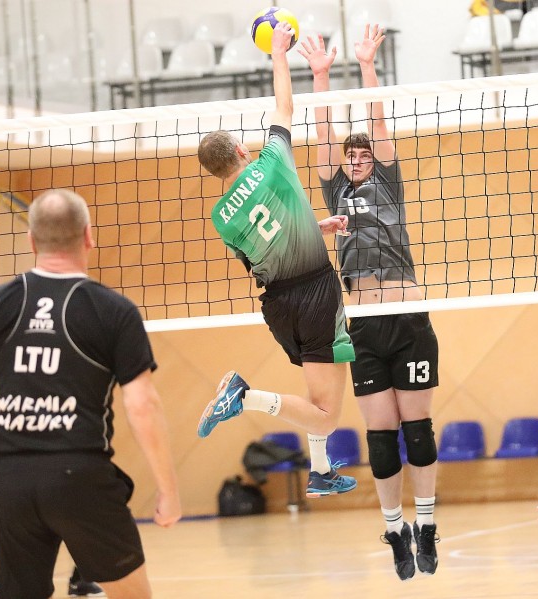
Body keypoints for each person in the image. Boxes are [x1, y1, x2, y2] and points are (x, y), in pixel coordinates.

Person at [0, 189, 181, 599]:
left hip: (7, 479)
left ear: (31, 240)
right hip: (78, 476)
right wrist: (168, 491)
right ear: (88, 236)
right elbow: (142, 405)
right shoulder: (113, 310)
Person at [298, 25, 441, 580]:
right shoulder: (335, 190)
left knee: (417, 429)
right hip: (363, 321)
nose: (356, 159)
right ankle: (395, 530)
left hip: (406, 315)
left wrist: (365, 66)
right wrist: (319, 76)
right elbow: (322, 134)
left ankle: (426, 524)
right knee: (380, 435)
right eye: (350, 155)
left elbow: (379, 122)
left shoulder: (388, 181)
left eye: (363, 154)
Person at [194, 21, 357, 499]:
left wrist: (315, 227)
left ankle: (321, 472)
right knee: (327, 414)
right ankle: (244, 397)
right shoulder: (270, 161)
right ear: (240, 150)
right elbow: (284, 104)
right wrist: (279, 52)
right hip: (316, 292)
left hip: (278, 304)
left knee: (316, 397)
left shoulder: (221, 217)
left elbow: (258, 252)